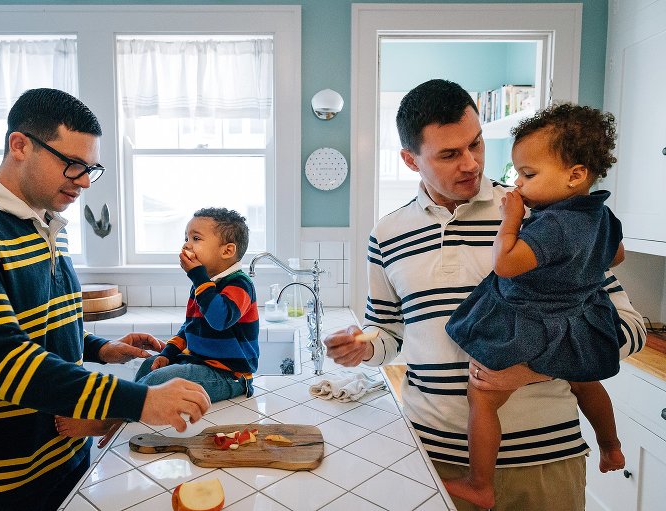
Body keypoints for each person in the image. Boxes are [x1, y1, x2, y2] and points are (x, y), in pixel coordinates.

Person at [323, 79, 646, 511]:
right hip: (428, 458)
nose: (472, 163)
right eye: (449, 154)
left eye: (476, 143)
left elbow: (629, 328)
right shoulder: (388, 234)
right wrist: (363, 348)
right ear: (409, 160)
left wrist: (535, 367)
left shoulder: (546, 214)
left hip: (543, 464)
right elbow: (389, 335)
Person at [0, 88, 210, 511]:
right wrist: (139, 401)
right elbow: (4, 361)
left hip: (64, 461)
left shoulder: (49, 225)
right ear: (20, 145)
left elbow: (42, 324)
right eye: (73, 165)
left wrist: (100, 348)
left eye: (90, 168)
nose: (85, 181)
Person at [443, 103, 627, 508]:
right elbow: (616, 257)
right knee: (585, 382)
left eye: (528, 174)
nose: (519, 185)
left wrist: (511, 219)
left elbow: (507, 265)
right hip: (582, 319)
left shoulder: (554, 224)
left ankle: (479, 483)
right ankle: (611, 446)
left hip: (533, 322)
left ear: (574, 175)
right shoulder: (601, 215)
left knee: (483, 395)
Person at [55, 207, 259, 446]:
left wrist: (198, 278)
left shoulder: (239, 285)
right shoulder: (203, 286)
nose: (187, 245)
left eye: (196, 238)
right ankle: (119, 420)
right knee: (149, 367)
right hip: (200, 364)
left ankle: (107, 420)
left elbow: (219, 318)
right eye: (186, 238)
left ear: (228, 251)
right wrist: (168, 353)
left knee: (162, 379)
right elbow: (190, 327)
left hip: (230, 377)